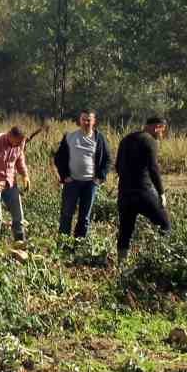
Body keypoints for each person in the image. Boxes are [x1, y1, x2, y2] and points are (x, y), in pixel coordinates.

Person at [114, 116, 171, 260]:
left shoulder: (126, 139)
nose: (162, 135)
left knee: (125, 230)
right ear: (157, 127)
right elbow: (153, 168)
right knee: (165, 224)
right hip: (143, 192)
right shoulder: (150, 141)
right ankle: (162, 260)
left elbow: (117, 166)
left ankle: (121, 265)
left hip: (124, 194)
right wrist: (161, 193)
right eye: (162, 131)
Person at [53, 110, 111, 239]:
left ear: (94, 121)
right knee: (67, 214)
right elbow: (58, 158)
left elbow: (108, 160)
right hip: (72, 182)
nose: (86, 122)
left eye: (89, 120)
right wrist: (64, 176)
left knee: (84, 217)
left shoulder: (100, 138)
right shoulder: (70, 137)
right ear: (79, 120)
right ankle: (63, 245)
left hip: (90, 184)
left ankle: (79, 245)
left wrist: (100, 178)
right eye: (84, 119)